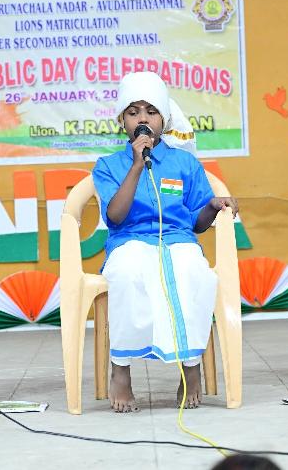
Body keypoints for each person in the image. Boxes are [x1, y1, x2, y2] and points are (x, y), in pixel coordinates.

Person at [92, 71, 238, 412]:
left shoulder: (184, 162)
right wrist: (135, 165)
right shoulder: (108, 165)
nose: (142, 118)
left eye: (151, 111)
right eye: (133, 111)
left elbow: (198, 224)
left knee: (193, 272)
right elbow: (115, 216)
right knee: (128, 275)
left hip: (178, 240)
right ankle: (122, 371)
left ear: (164, 119)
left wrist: (213, 207)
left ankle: (190, 368)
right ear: (122, 121)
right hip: (129, 242)